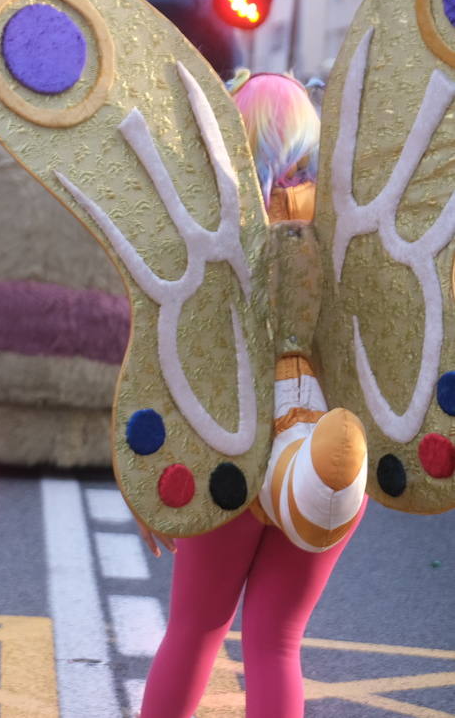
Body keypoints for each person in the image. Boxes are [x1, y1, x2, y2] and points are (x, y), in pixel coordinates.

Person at [137, 73, 367, 717]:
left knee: (195, 631)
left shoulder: (209, 234)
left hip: (230, 449)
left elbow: (171, 359)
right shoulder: (348, 233)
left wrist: (146, 477)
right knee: (276, 644)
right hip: (326, 455)